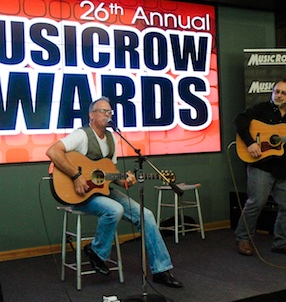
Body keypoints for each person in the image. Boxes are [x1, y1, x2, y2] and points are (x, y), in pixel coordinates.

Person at [46, 96, 183, 288]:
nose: (108, 115)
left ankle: (161, 270)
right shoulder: (82, 135)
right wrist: (76, 176)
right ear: (92, 115)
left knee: (147, 215)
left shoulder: (112, 139)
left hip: (103, 192)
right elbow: (53, 151)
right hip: (80, 194)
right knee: (114, 209)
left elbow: (110, 174)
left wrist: (126, 180)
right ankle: (97, 251)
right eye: (103, 111)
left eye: (110, 112)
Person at [234, 79, 286, 256]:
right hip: (261, 165)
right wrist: (250, 143)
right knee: (256, 202)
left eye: (283, 92)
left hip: (282, 168)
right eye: (276, 91)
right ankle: (243, 238)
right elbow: (239, 121)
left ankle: (282, 242)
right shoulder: (261, 109)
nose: (278, 95)